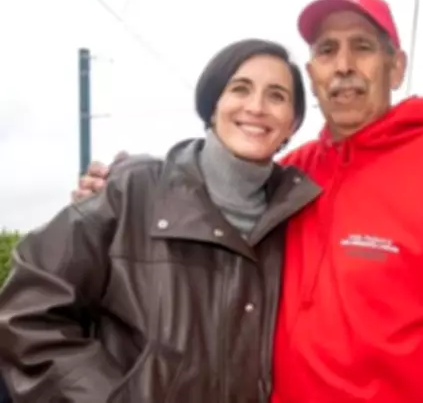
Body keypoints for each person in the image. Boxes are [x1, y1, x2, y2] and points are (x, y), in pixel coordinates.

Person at [73, 0, 423, 402]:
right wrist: (126, 188)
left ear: (396, 66)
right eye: (327, 50)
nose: (343, 66)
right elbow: (208, 195)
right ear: (314, 74)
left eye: (362, 47)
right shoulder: (291, 178)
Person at [0, 39, 320, 402]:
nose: (256, 107)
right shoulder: (133, 190)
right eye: (240, 89)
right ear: (213, 104)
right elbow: (26, 313)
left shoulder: (296, 220)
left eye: (276, 96)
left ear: (292, 122)